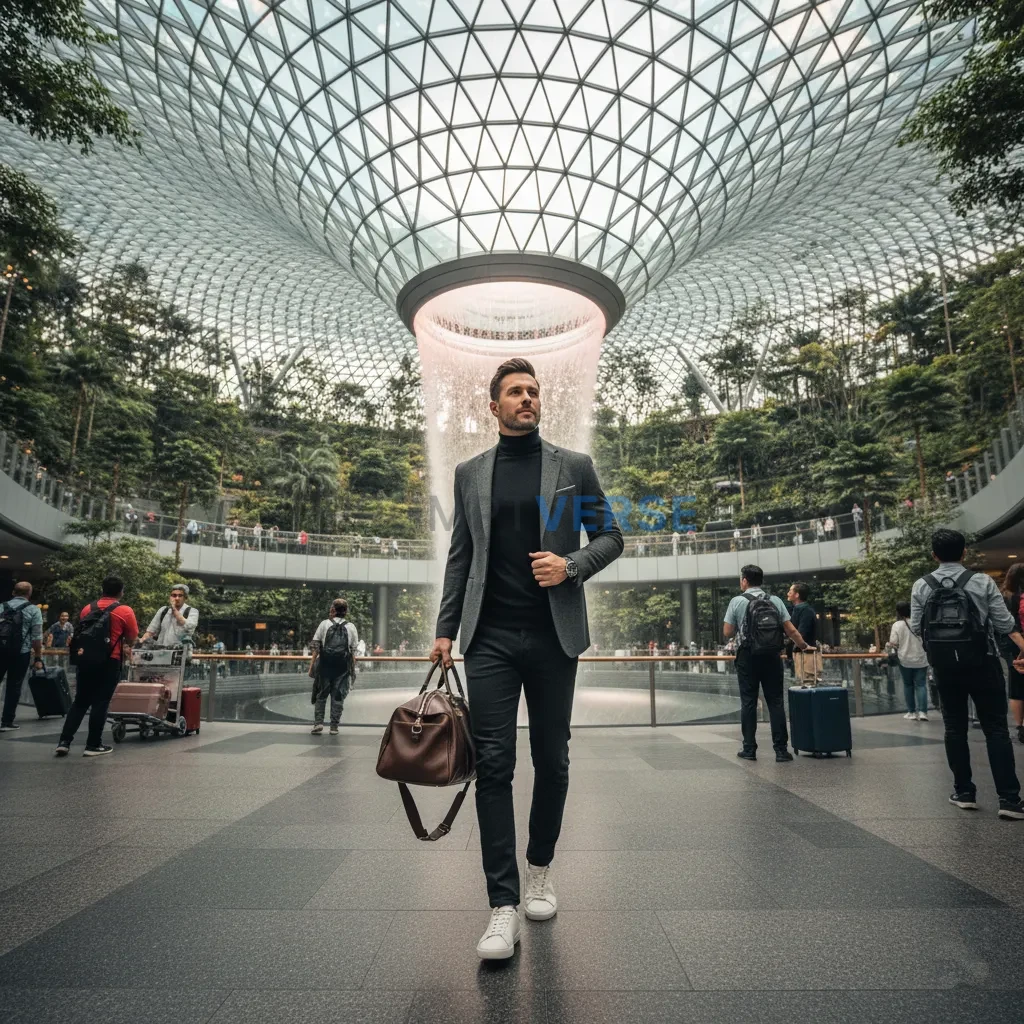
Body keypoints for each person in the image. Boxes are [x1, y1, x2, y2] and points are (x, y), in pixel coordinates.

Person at [430, 357, 623, 961]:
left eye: (533, 391)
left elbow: (611, 537)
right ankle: (502, 905)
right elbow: (461, 555)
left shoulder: (572, 468)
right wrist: (445, 629)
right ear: (494, 407)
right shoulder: (470, 473)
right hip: (488, 637)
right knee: (493, 765)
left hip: (552, 636)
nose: (527, 398)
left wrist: (571, 566)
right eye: (515, 392)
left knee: (552, 760)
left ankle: (540, 870)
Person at [910, 529, 1024, 819]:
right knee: (996, 729)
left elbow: (916, 627)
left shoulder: (921, 585)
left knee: (954, 728)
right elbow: (1004, 623)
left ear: (934, 555)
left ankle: (964, 793)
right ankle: (1009, 800)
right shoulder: (982, 581)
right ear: (964, 553)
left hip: (944, 667)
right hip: (983, 662)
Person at [723, 565, 814, 762]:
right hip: (772, 656)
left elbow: (727, 632)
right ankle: (781, 751)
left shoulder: (737, 601)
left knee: (748, 702)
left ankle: (749, 749)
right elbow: (791, 630)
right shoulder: (775, 600)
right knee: (775, 701)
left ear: (745, 580)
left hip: (747, 656)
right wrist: (804, 646)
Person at [55, 575, 138, 756]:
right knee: (101, 702)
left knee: (80, 701)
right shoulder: (124, 611)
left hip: (85, 660)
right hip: (110, 661)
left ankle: (64, 742)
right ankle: (93, 745)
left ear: (102, 590)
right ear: (121, 592)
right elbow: (132, 637)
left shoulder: (88, 608)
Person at [308, 597, 358, 735]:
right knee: (338, 696)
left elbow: (316, 647)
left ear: (333, 609)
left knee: (321, 695)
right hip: (342, 667)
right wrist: (352, 670)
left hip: (325, 665)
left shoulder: (324, 624)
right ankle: (334, 727)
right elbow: (353, 651)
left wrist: (311, 667)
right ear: (346, 611)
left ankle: (318, 723)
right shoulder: (351, 627)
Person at [0, 582, 44, 732]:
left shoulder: (1, 607)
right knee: (14, 686)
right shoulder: (33, 610)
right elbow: (37, 638)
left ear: (13, 592)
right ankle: (6, 722)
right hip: (21, 653)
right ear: (29, 594)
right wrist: (37, 657)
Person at [887, 601, 929, 721]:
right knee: (921, 684)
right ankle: (923, 712)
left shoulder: (897, 625)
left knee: (908, 684)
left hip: (904, 659)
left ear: (899, 612)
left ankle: (911, 712)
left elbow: (893, 643)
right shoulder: (920, 623)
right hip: (921, 658)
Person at [1002, 562, 1024, 744]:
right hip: (1019, 644)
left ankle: (1019, 726)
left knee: (1016, 687)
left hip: (1012, 647)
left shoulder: (1005, 598)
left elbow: (1007, 627)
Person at [786, 582, 817, 680]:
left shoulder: (806, 611)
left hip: (805, 656)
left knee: (806, 682)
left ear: (797, 595)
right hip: (797, 655)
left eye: (790, 591)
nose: (788, 593)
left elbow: (801, 633)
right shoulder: (796, 610)